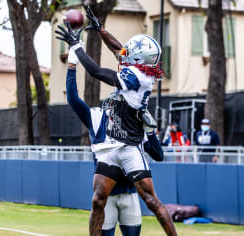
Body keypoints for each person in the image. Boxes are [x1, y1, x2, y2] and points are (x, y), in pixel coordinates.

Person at [57, 20, 177, 235]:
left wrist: (76, 48)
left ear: (140, 59)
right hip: (112, 147)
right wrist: (102, 30)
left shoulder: (137, 77)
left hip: (129, 146)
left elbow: (97, 72)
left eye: (132, 53)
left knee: (151, 199)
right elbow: (118, 49)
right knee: (98, 198)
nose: (125, 53)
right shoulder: (141, 67)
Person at [66, 57, 165, 235]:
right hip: (107, 197)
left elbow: (158, 155)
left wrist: (149, 131)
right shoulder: (97, 117)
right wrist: (72, 65)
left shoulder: (133, 122)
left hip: (130, 194)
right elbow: (73, 99)